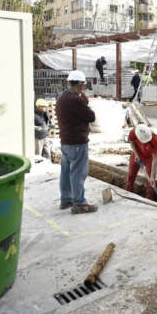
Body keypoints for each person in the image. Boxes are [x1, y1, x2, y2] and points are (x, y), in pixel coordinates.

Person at [56, 70, 98, 214]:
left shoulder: (61, 98)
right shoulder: (76, 100)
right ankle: (79, 203)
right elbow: (91, 116)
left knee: (66, 172)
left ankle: (66, 199)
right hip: (77, 143)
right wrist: (85, 102)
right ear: (81, 85)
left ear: (69, 83)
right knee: (78, 173)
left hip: (65, 142)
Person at [126, 124, 157, 203]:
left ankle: (149, 201)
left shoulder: (154, 138)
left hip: (149, 158)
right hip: (137, 154)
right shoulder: (133, 132)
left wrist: (152, 176)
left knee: (150, 182)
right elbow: (132, 143)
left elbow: (155, 159)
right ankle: (128, 195)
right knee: (131, 176)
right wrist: (136, 154)